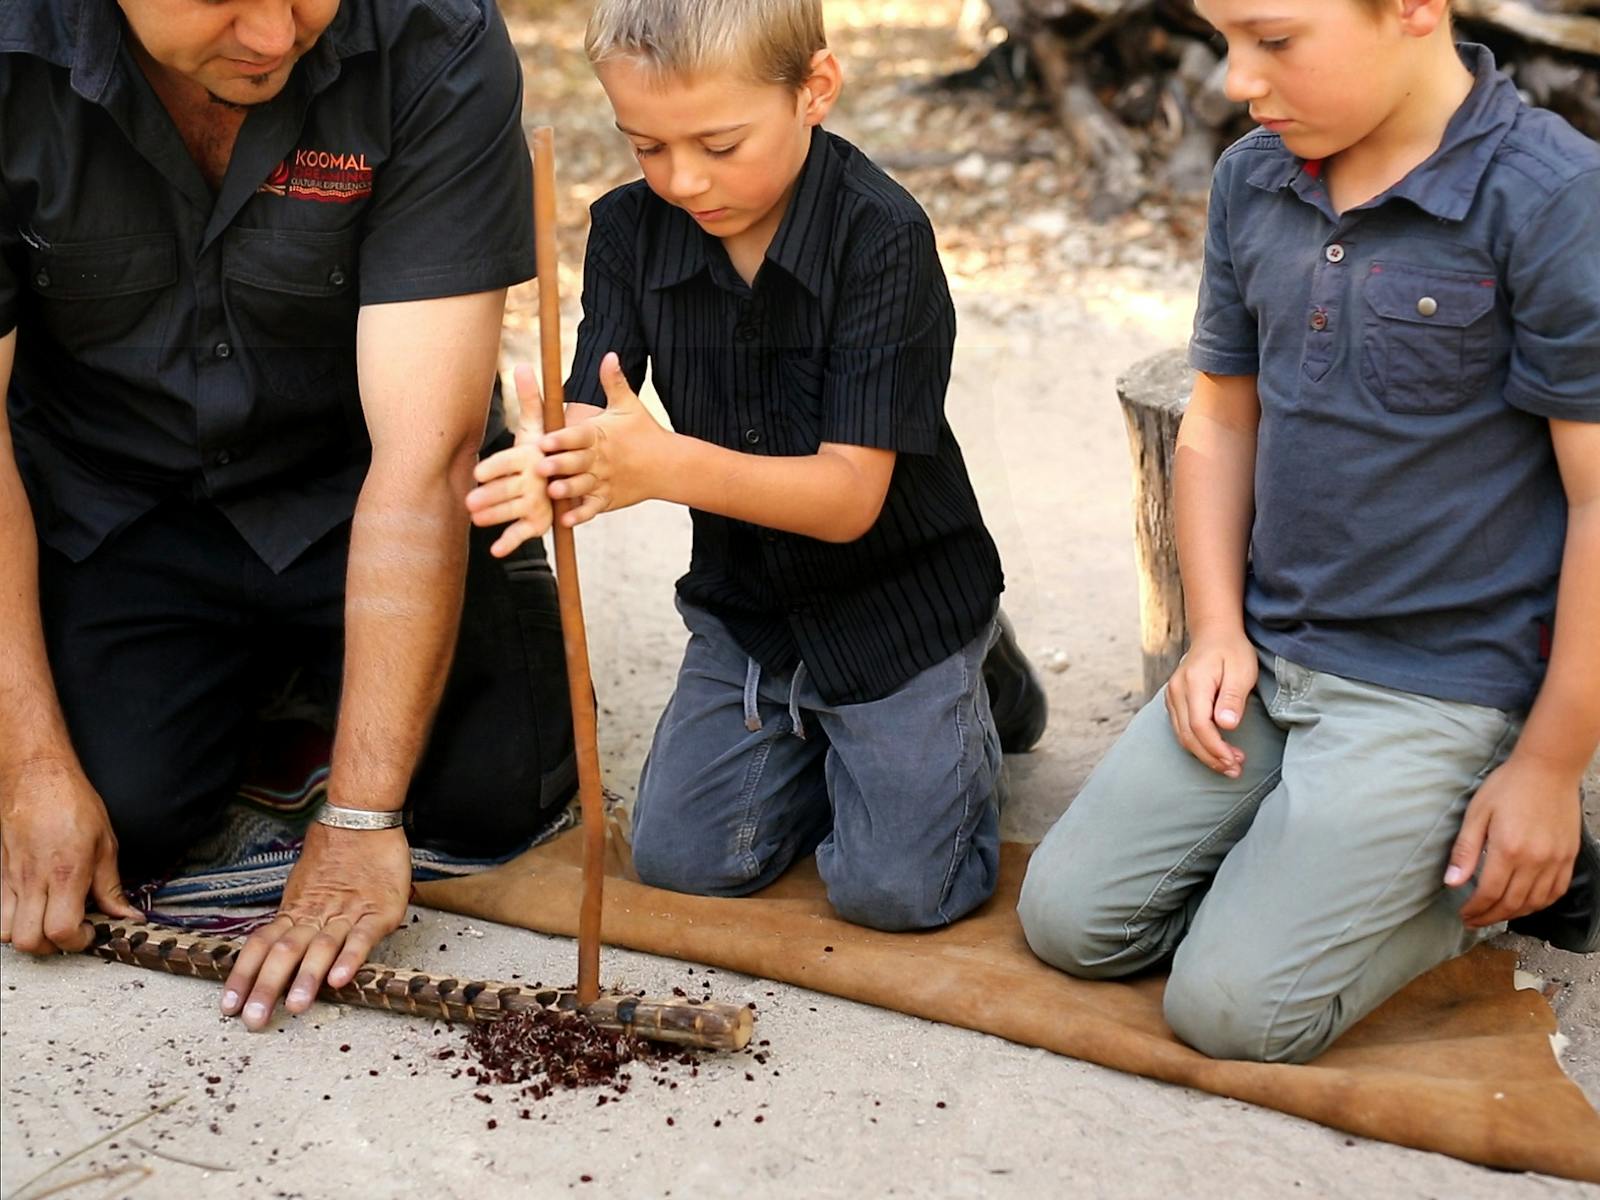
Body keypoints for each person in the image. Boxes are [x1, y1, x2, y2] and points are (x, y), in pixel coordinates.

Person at [1017, 0, 1600, 1064]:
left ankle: (1479, 877)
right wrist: (1215, 633)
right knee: (1069, 923)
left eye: (1273, 40)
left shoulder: (1552, 195)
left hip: (1437, 688)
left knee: (1232, 1013)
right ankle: (1320, 861)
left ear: (1416, 10)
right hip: (1271, 652)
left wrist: (1551, 766)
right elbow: (1221, 416)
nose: (1236, 79)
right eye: (1224, 38)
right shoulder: (1255, 175)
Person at [0, 0, 575, 1030]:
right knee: (111, 818)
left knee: (498, 794)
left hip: (361, 484)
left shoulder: (432, 36)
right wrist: (30, 763)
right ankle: (267, 694)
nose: (273, 35)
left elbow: (425, 454)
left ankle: (317, 711)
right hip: (120, 499)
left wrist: (358, 819)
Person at [468, 0, 1048, 931]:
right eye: (645, 145)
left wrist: (662, 466)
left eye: (719, 143)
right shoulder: (628, 228)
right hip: (754, 612)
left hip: (898, 603)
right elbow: (599, 404)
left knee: (896, 893)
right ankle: (845, 744)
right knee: (681, 860)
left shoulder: (883, 235)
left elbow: (852, 500)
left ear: (814, 89)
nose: (682, 178)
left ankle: (973, 679)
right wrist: (553, 461)